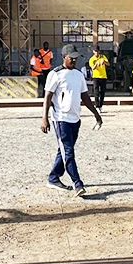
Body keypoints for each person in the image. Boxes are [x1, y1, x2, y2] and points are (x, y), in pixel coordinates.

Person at [41, 51, 103, 197]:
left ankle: (53, 178)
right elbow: (47, 96)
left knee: (64, 150)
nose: (74, 60)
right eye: (71, 58)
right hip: (60, 119)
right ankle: (78, 184)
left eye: (76, 58)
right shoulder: (55, 74)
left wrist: (96, 114)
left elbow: (85, 96)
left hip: (75, 119)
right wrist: (44, 118)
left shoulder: (78, 75)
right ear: (63, 57)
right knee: (68, 152)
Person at [88, 47, 109, 113]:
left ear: (99, 51)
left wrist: (104, 62)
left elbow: (108, 64)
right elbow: (93, 68)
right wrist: (96, 64)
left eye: (97, 51)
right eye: (95, 51)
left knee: (102, 92)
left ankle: (101, 106)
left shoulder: (103, 56)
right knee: (96, 92)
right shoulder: (92, 59)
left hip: (103, 76)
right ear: (93, 51)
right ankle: (97, 106)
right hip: (96, 77)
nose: (96, 53)